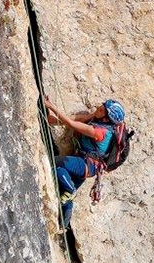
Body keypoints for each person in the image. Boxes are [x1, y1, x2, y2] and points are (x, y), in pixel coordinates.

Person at [43, 95, 126, 229]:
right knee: (63, 190)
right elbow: (75, 120)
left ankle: (70, 189)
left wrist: (51, 106)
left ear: (107, 118)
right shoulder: (96, 119)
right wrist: (54, 120)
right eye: (102, 106)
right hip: (83, 162)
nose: (98, 108)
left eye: (102, 109)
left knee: (55, 163)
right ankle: (63, 225)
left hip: (87, 164)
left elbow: (72, 124)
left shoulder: (101, 132)